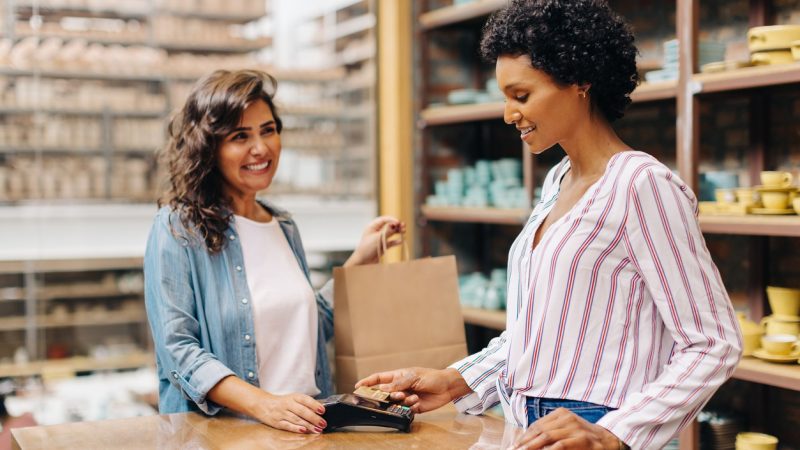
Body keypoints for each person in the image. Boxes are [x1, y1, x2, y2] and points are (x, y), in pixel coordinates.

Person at [357, 1, 742, 449]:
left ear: (580, 82)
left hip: (591, 429)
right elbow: (541, 335)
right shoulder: (558, 181)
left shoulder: (642, 185)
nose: (508, 114)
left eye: (521, 96)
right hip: (526, 425)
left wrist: (615, 432)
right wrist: (454, 380)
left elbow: (713, 343)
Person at [144, 69, 405, 435]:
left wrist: (359, 261)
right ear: (210, 146)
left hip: (309, 431)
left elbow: (309, 329)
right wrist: (265, 404)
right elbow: (178, 350)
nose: (261, 148)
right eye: (240, 136)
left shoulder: (283, 224)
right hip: (231, 437)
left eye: (268, 130)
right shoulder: (177, 228)